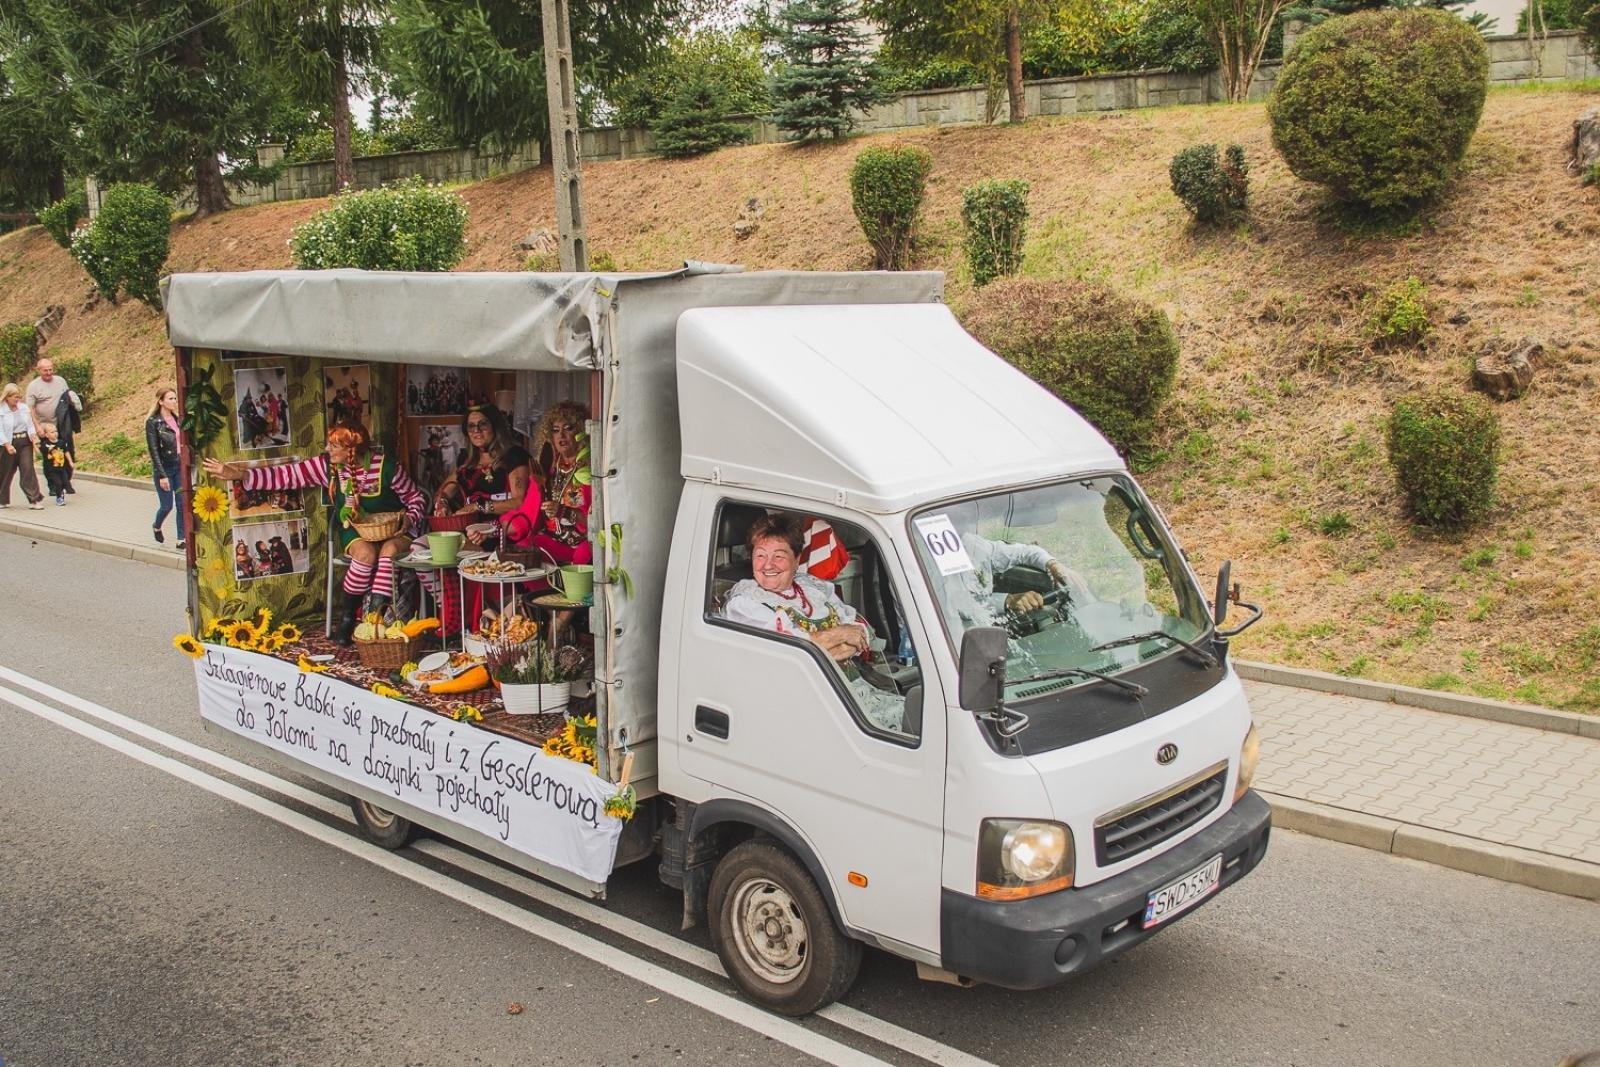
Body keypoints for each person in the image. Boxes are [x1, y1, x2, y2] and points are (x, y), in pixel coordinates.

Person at [204, 422, 426, 644]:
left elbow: (416, 499)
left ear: (351, 449)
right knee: (365, 555)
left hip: (395, 529)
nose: (328, 450)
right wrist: (239, 474)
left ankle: (374, 619)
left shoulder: (387, 468)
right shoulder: (328, 467)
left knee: (388, 552)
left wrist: (409, 518)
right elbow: (286, 474)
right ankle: (348, 617)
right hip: (356, 529)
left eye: (333, 445)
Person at [722, 514, 871, 662]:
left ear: (797, 559)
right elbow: (790, 651)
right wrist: (840, 635)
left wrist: (843, 642)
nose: (768, 565)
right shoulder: (744, 604)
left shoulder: (813, 587)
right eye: (760, 555)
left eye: (778, 556)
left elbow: (857, 627)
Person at [938, 530, 1092, 633]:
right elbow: (954, 605)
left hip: (995, 631)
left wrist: (1052, 564)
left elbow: (1024, 552)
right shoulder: (931, 558)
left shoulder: (971, 544)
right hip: (958, 644)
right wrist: (1007, 600)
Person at [432, 404, 530, 521]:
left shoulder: (514, 455)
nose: (476, 430)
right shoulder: (466, 461)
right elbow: (442, 493)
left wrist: (479, 507)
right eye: (471, 426)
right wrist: (442, 504)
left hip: (506, 530)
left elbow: (519, 502)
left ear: (495, 426)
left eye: (483, 424)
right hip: (471, 531)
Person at [144, 386, 186, 547]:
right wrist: (162, 475)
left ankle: (181, 539)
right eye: (170, 398)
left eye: (175, 398)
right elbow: (153, 450)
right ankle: (156, 526)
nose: (174, 401)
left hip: (179, 465)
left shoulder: (178, 419)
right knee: (167, 506)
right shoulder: (153, 422)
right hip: (165, 468)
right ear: (161, 401)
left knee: (181, 503)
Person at [0, 383, 46, 509]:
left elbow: (30, 424)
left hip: (24, 441)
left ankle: (34, 499)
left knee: (28, 469)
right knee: (6, 471)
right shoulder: (2, 411)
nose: (17, 400)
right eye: (15, 397)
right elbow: (0, 430)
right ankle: (2, 499)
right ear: (7, 397)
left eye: (19, 397)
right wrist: (7, 445)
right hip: (8, 442)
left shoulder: (24, 408)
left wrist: (33, 436)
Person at [25, 357, 80, 441]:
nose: (49, 373)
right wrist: (37, 427)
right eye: (45, 370)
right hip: (46, 428)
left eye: (50, 370)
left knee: (67, 451)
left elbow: (68, 398)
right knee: (50, 452)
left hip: (63, 424)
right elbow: (30, 409)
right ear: (39, 370)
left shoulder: (61, 381)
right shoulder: (33, 386)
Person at [38, 422, 74, 506]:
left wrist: (70, 461)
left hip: (62, 468)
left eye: (55, 431)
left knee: (65, 482)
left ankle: (61, 493)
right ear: (46, 435)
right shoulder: (45, 445)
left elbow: (66, 452)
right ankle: (59, 497)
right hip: (52, 469)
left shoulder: (61, 443)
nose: (55, 434)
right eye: (52, 432)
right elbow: (40, 453)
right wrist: (34, 445)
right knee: (58, 483)